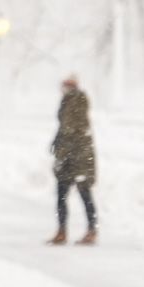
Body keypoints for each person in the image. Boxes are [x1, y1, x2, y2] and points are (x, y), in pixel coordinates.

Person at [49, 74, 98, 246]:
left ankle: (90, 230)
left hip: (79, 158)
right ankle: (63, 230)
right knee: (64, 195)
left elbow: (69, 130)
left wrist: (61, 152)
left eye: (66, 85)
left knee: (83, 195)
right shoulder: (68, 101)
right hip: (71, 157)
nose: (62, 88)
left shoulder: (76, 101)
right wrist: (56, 142)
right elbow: (64, 128)